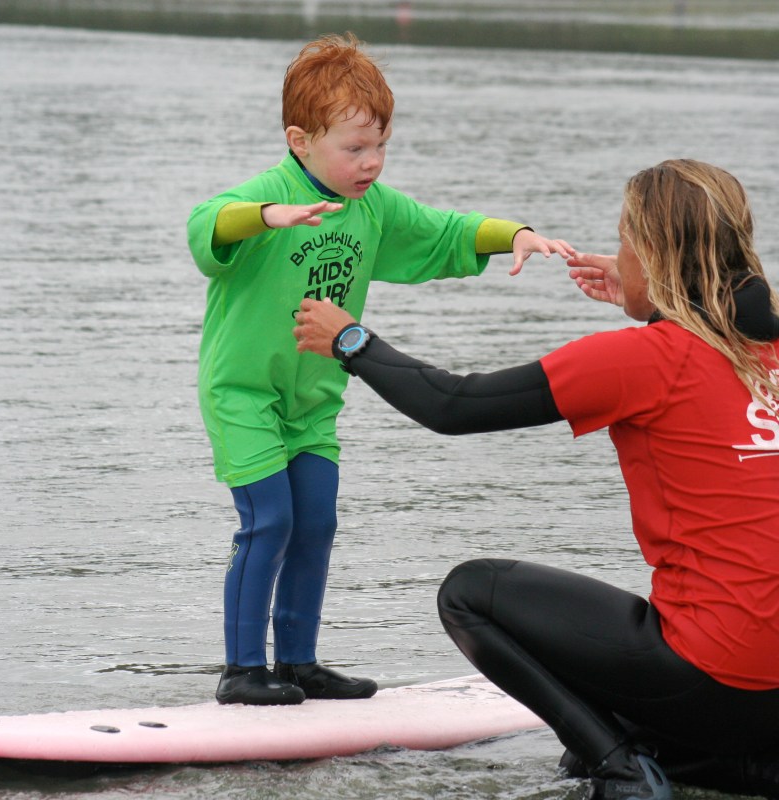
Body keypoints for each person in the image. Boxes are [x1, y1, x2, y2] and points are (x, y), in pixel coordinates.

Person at [292, 159, 779, 800]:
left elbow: (454, 405)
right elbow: (734, 314)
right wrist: (649, 290)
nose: (618, 252)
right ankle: (744, 769)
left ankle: (623, 771)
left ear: (656, 254)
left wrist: (354, 342)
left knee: (472, 593)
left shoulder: (644, 359)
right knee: (607, 730)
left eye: (626, 239)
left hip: (717, 676)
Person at [186, 32, 573, 706]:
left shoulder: (372, 209)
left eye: (379, 147)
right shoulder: (263, 199)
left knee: (317, 523)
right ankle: (242, 670)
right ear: (300, 140)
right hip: (243, 395)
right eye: (354, 148)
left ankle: (298, 663)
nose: (371, 163)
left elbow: (442, 232)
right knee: (269, 522)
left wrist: (512, 233)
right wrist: (268, 216)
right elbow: (205, 227)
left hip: (313, 403)